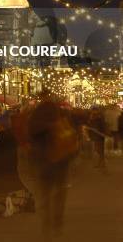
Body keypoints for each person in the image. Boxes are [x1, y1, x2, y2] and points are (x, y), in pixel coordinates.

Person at [28, 93, 78, 237]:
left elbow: (30, 139)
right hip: (60, 162)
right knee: (59, 194)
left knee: (45, 196)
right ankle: (57, 222)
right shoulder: (61, 118)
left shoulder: (35, 120)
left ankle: (47, 224)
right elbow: (71, 140)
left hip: (43, 163)